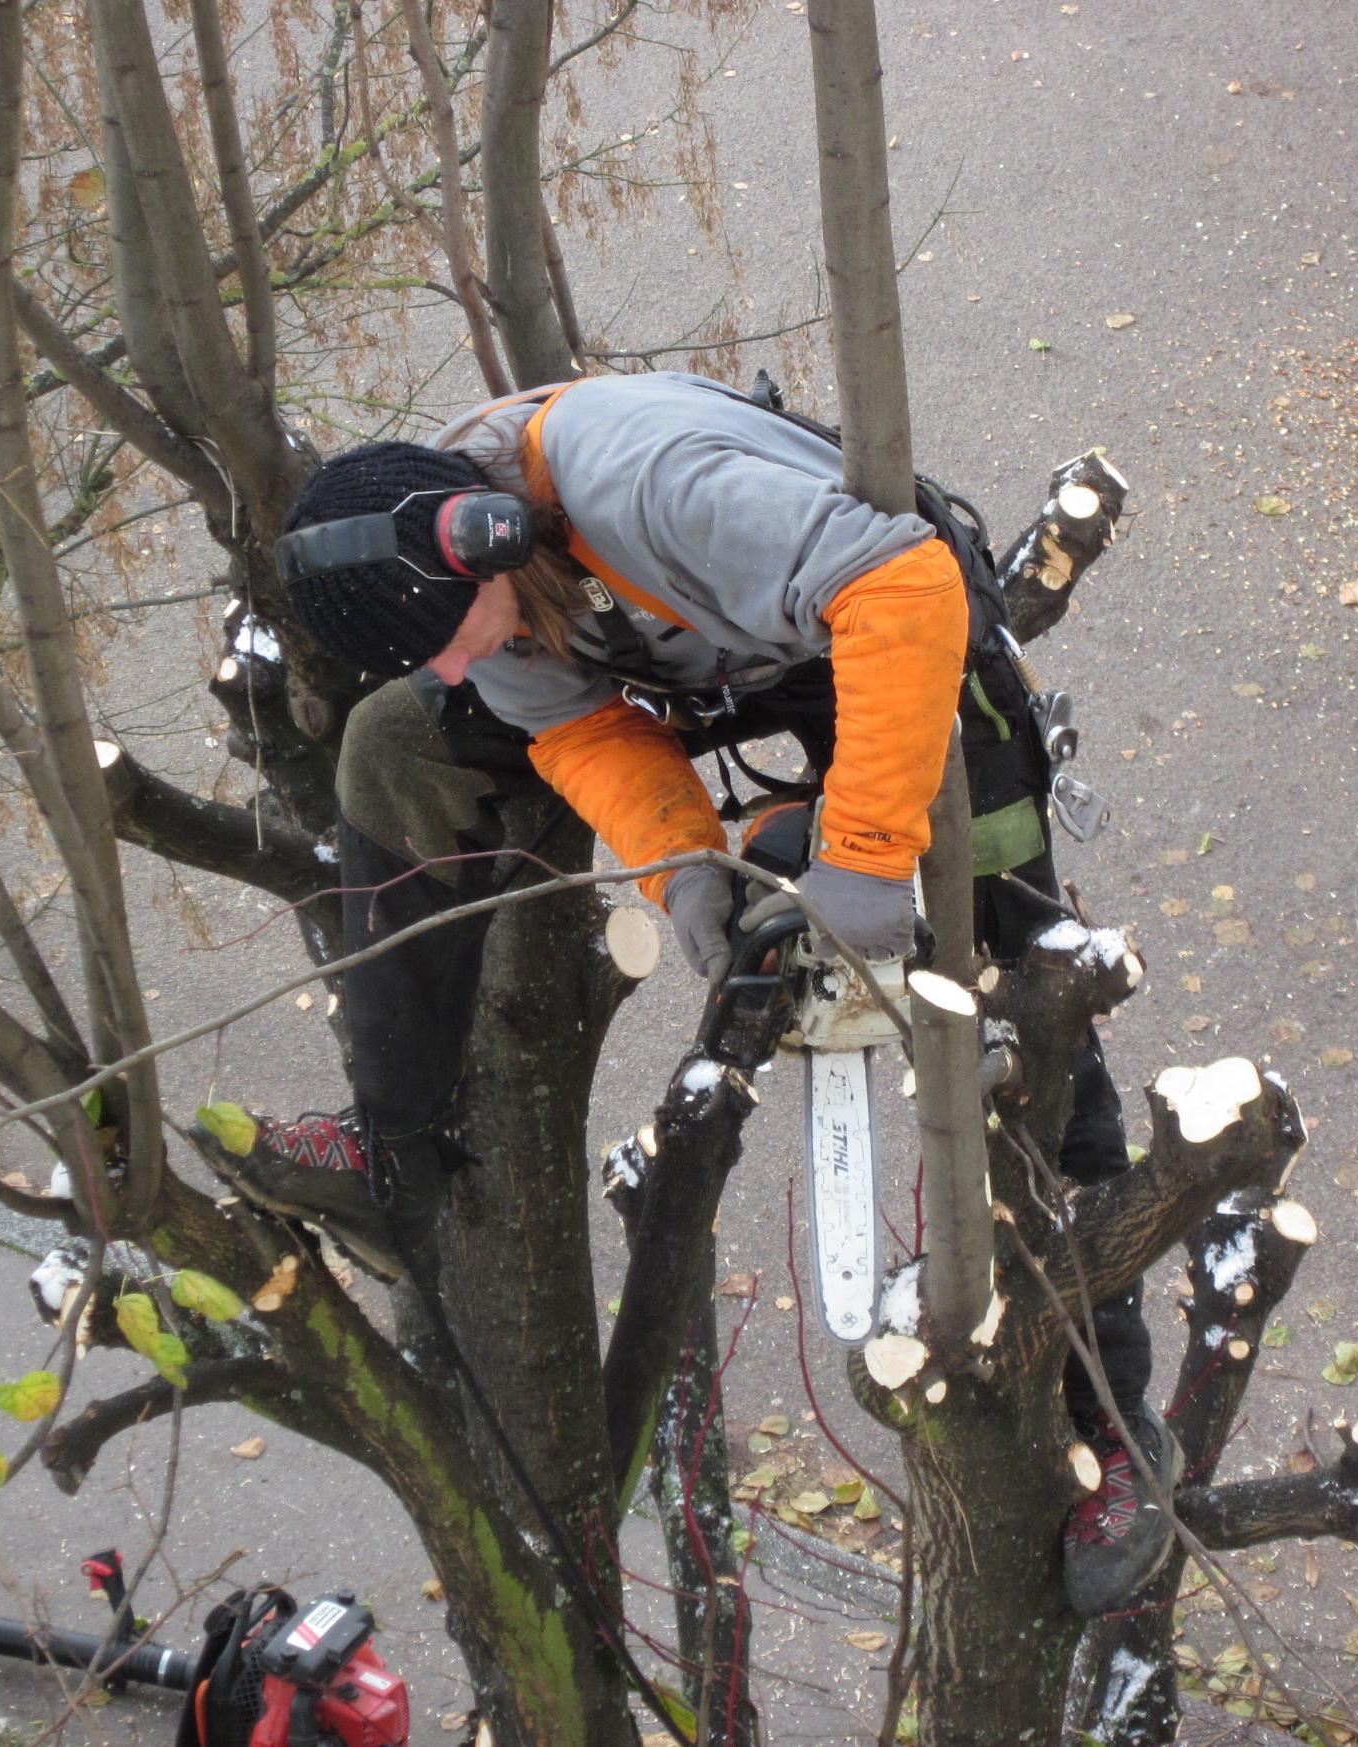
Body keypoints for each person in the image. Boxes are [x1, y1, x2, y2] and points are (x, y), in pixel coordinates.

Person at [221, 371, 1177, 1613]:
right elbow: (577, 729)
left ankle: (1114, 1432)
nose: (460, 663)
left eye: (455, 634)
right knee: (394, 743)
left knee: (1024, 1000)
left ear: (489, 541)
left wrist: (867, 854)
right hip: (709, 656)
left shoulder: (643, 483)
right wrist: (684, 874)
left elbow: (902, 585)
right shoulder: (474, 603)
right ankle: (393, 1138)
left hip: (884, 618)